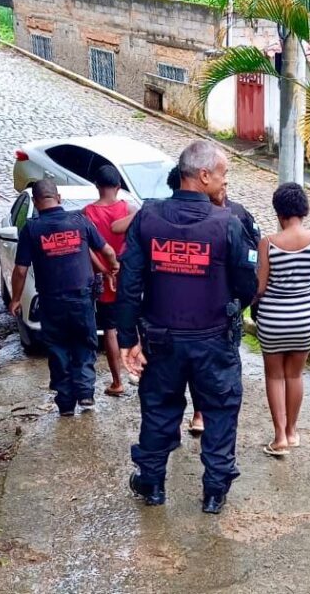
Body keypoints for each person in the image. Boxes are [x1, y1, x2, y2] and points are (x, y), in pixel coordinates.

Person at [116, 141, 258, 514]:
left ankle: (152, 483)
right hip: (213, 339)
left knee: (159, 409)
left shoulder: (147, 218)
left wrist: (128, 338)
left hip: (162, 338)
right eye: (224, 174)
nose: (226, 181)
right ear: (204, 175)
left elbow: (129, 281)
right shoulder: (227, 223)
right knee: (220, 410)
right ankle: (214, 491)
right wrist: (229, 308)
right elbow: (247, 283)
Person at [163, 163, 262, 437]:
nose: (224, 185)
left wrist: (242, 301)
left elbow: (253, 257)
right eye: (222, 179)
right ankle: (198, 412)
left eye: (226, 181)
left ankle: (204, 413)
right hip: (185, 312)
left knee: (218, 369)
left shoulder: (238, 214)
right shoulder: (181, 217)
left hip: (225, 309)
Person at [10, 179, 119, 417]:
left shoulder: (32, 228)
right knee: (84, 344)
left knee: (58, 350)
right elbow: (108, 251)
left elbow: (20, 270)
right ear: (58, 198)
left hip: (51, 302)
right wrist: (112, 269)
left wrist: (16, 299)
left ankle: (66, 404)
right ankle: (86, 394)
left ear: (37, 203)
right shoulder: (80, 221)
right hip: (82, 299)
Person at [254, 183, 310, 456]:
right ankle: (293, 432)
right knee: (295, 374)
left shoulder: (268, 244)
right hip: (304, 317)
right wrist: (306, 303)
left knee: (274, 376)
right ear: (304, 209)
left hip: (272, 318)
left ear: (279, 212)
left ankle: (279, 438)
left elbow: (260, 287)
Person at [83, 165, 133, 396]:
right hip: (127, 275)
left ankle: (117, 382)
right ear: (118, 186)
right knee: (136, 328)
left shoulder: (88, 214)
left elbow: (88, 250)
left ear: (96, 185)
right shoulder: (128, 209)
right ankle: (141, 373)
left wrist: (104, 270)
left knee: (110, 330)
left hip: (103, 278)